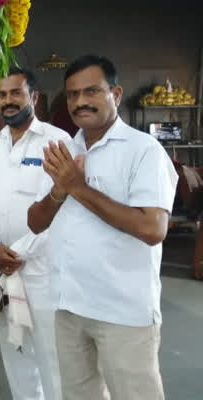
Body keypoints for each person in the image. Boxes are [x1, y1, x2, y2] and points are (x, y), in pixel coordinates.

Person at [28, 56, 178, 400]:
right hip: (69, 306)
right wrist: (59, 190)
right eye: (72, 94)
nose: (80, 101)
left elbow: (153, 229)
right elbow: (35, 222)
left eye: (92, 91)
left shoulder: (143, 151)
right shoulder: (65, 150)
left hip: (122, 311)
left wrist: (78, 187)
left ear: (116, 94)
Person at [0, 67, 68, 400]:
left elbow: (62, 208)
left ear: (35, 97)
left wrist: (17, 253)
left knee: (52, 360)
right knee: (17, 356)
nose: (8, 101)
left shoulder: (56, 142)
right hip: (3, 271)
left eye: (16, 93)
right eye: (2, 95)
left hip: (43, 273)